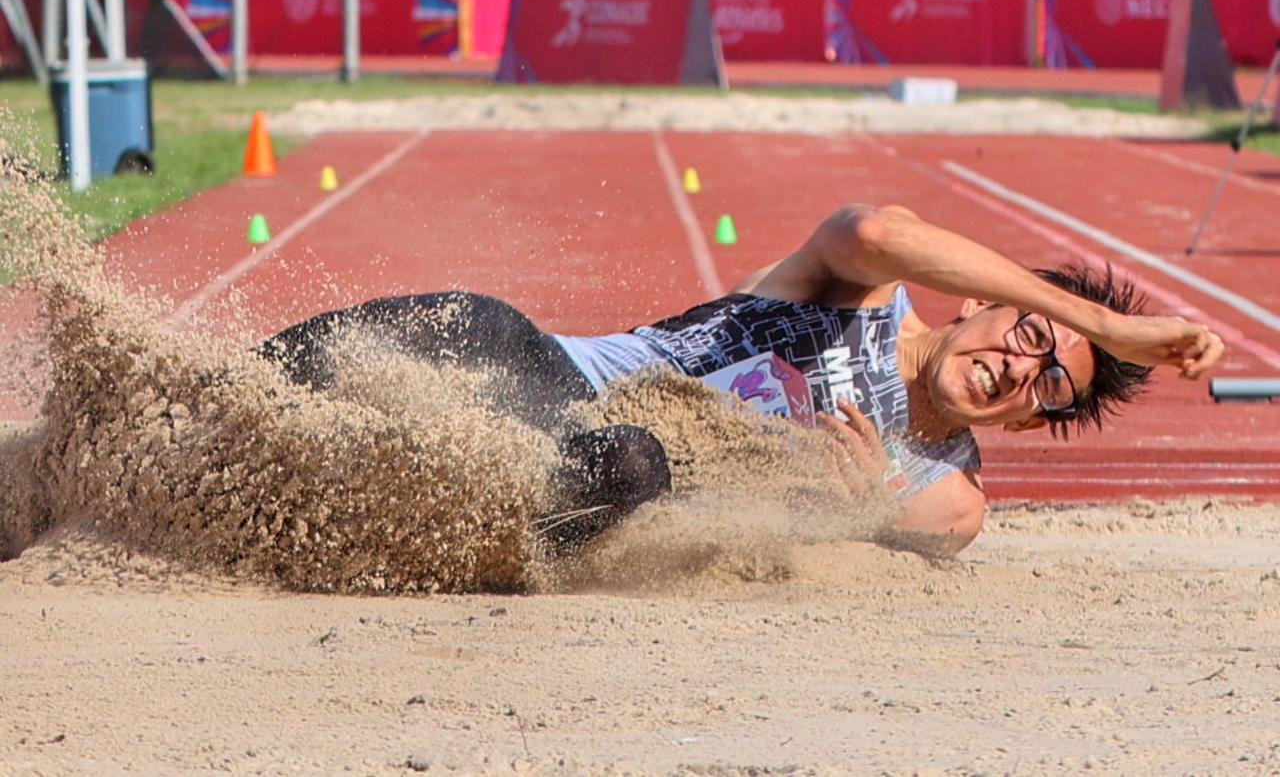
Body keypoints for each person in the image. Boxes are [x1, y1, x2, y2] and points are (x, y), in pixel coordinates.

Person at [259, 205, 1225, 555]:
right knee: (477, 320)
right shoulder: (866, 289)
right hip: (563, 373)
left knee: (633, 466)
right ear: (975, 302)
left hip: (619, 478)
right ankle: (221, 396)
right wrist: (1104, 326)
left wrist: (858, 507)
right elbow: (882, 231)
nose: (1022, 368)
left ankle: (379, 544)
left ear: (1028, 423)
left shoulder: (949, 482)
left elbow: (932, 526)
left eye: (1051, 385)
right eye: (1029, 332)